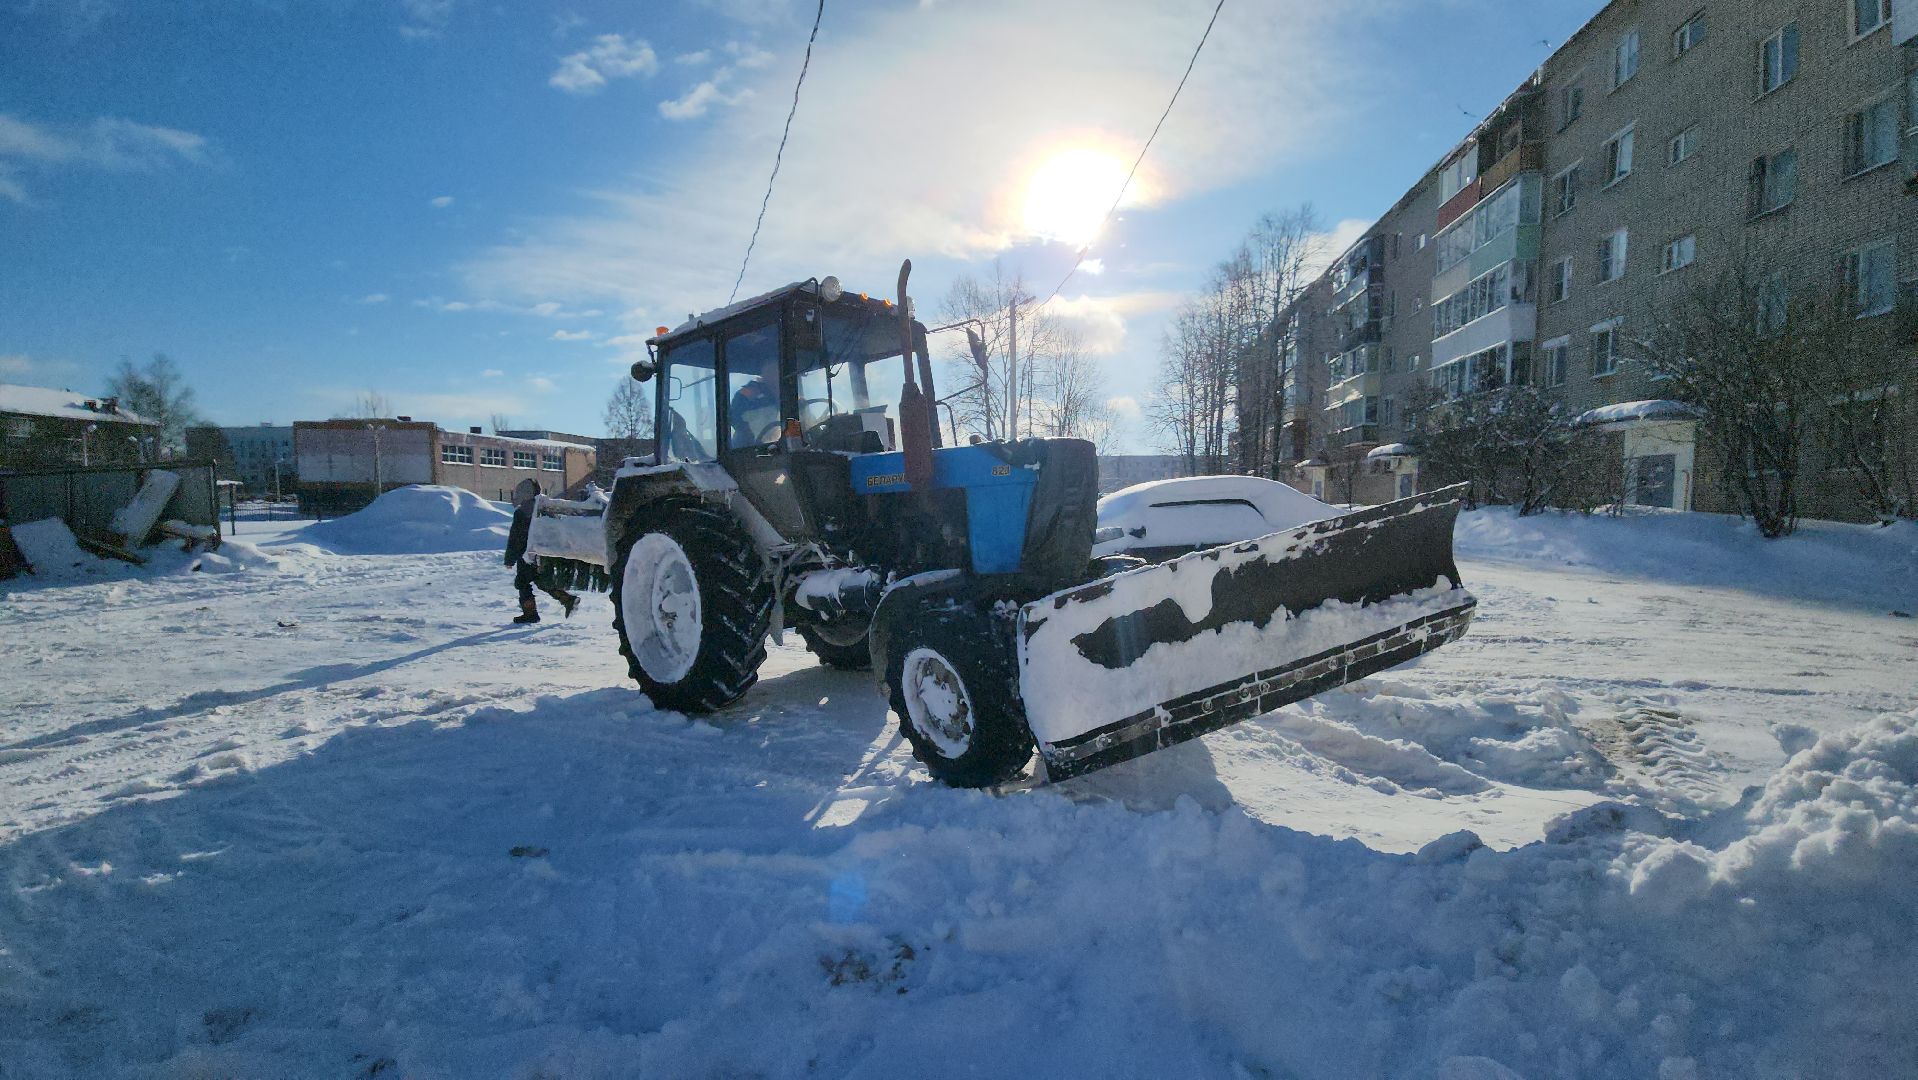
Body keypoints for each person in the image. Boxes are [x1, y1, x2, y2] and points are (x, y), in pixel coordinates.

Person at [504, 478, 578, 624]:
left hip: (527, 555)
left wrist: (509, 559)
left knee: (522, 582)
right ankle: (568, 599)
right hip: (543, 553)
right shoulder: (543, 509)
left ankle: (530, 614)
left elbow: (516, 538)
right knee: (542, 581)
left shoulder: (522, 512)